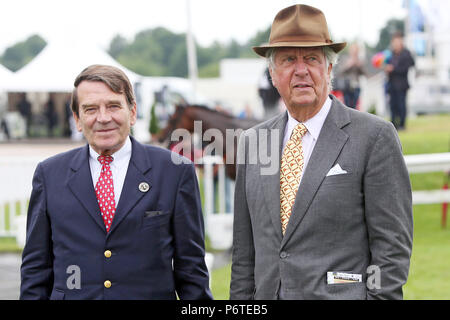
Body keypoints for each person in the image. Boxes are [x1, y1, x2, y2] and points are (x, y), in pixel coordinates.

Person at [230, 4, 413, 300]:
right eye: (289, 59)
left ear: (329, 68)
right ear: (273, 74)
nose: (301, 70)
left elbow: (391, 250)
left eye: (312, 58)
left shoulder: (374, 137)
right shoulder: (254, 142)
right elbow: (244, 255)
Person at [20, 64, 213, 300]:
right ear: (77, 120)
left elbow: (192, 271)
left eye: (113, 106)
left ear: (132, 112)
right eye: (90, 109)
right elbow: (35, 271)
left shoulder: (174, 171)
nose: (103, 118)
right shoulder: (49, 175)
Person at [385, 32, 415, 130]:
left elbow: (407, 67)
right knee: (393, 105)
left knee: (401, 105)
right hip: (392, 84)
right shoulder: (391, 54)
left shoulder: (406, 53)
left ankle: (402, 124)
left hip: (402, 85)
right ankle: (394, 124)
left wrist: (393, 69)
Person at [340, 43, 366, 109]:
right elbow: (340, 72)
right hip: (346, 86)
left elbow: (364, 73)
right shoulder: (345, 59)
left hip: (356, 85)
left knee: (354, 106)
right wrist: (348, 65)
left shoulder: (360, 61)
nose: (354, 52)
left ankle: (353, 119)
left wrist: (359, 66)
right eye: (353, 50)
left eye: (356, 50)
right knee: (346, 106)